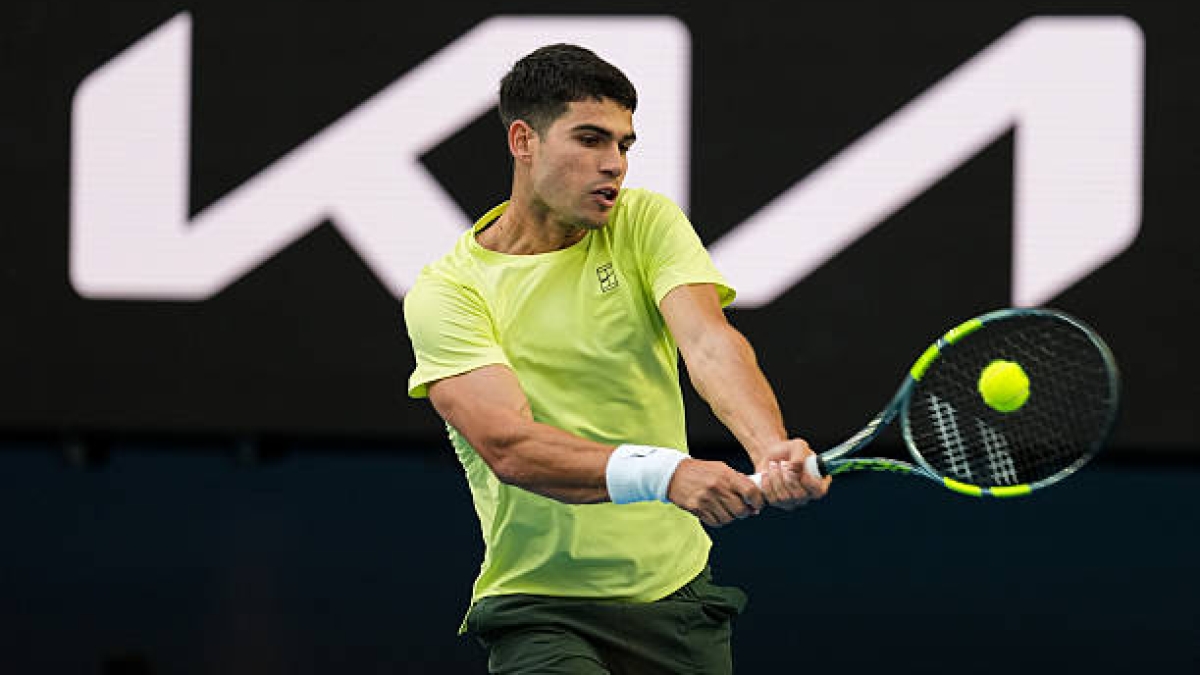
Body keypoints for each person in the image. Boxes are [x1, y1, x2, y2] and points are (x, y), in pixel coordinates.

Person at [404, 43, 829, 674]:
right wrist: (664, 474)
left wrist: (768, 446)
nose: (614, 165)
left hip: (679, 602)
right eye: (591, 140)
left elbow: (708, 344)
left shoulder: (644, 222)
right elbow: (509, 445)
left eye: (624, 146)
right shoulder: (449, 292)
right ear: (524, 141)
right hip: (541, 612)